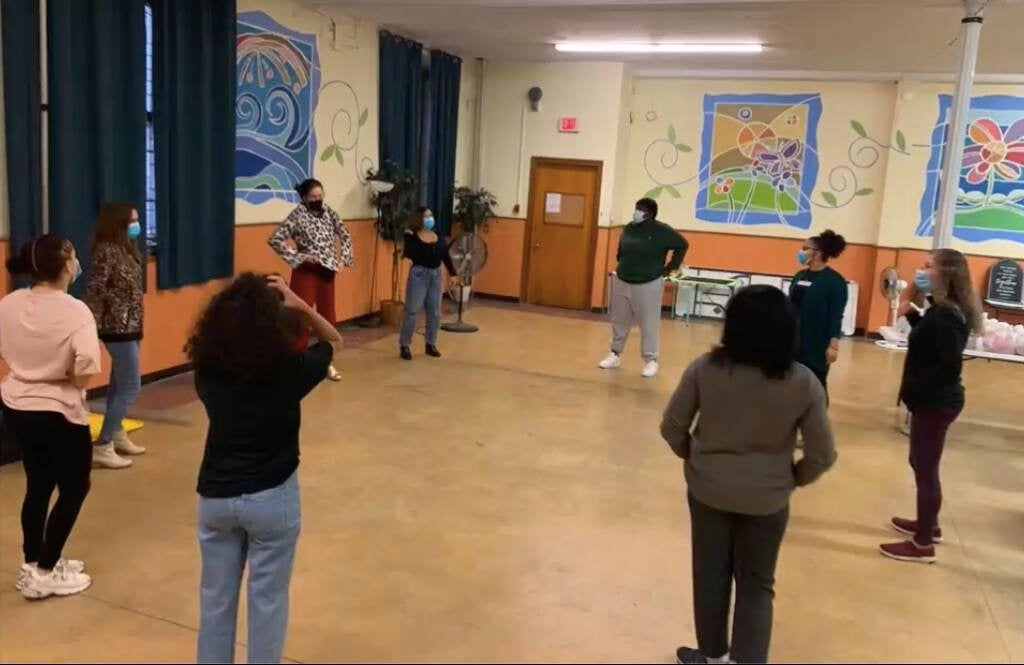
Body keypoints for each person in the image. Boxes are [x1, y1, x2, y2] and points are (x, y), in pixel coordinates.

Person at [660, 285, 837, 664]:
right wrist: (792, 478)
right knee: (757, 586)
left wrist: (695, 458)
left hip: (708, 491)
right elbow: (822, 454)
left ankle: (712, 657)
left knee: (710, 579)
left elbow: (673, 426)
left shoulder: (705, 370)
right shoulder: (804, 382)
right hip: (768, 500)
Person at [188, 273, 342, 664]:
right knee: (268, 601)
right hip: (272, 498)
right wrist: (299, 304)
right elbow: (333, 341)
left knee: (215, 602)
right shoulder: (290, 371)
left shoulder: (206, 372)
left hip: (216, 499)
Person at [1, 235, 101, 600]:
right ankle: (45, 571)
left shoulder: (9, 303)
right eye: (74, 256)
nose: (77, 263)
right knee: (75, 487)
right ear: (64, 265)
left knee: (38, 484)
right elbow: (86, 368)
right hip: (58, 411)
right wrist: (62, 377)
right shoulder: (75, 311)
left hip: (16, 404)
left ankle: (34, 562)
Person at [880, 249, 981, 565]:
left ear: (946, 273)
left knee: (926, 470)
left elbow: (948, 365)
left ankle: (923, 544)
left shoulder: (948, 314)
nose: (921, 270)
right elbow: (926, 338)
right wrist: (912, 308)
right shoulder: (939, 310)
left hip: (935, 403)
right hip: (929, 400)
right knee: (920, 462)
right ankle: (928, 524)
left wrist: (918, 389)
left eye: (928, 266)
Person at [268, 178, 352, 382]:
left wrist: (344, 259)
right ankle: (296, 361)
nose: (317, 200)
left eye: (320, 196)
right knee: (300, 316)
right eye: (313, 197)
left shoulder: (330, 212)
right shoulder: (297, 215)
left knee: (327, 317)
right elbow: (275, 239)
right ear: (304, 198)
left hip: (327, 271)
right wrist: (299, 257)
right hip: (306, 271)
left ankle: (327, 363)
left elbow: (345, 234)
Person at [84, 203, 146, 470]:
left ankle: (117, 432)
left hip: (132, 325)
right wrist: (90, 327)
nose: (137, 224)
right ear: (118, 222)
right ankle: (103, 444)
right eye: (132, 220)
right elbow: (94, 292)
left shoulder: (127, 251)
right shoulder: (106, 252)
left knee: (119, 383)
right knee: (132, 385)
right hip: (114, 328)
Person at [598, 197, 688, 378]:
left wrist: (670, 268)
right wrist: (621, 262)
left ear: (650, 213)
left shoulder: (661, 230)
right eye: (636, 208)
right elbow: (621, 248)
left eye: (640, 209)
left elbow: (682, 244)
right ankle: (614, 354)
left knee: (648, 323)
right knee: (619, 321)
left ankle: (651, 360)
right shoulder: (630, 228)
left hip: (648, 282)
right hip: (623, 279)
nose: (636, 212)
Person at [789, 229, 848, 398]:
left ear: (818, 253)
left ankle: (817, 417)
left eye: (805, 248)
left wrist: (833, 345)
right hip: (794, 340)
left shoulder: (834, 281)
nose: (801, 251)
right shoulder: (800, 276)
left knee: (816, 384)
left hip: (816, 343)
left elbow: (836, 315)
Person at [399, 207, 457, 360]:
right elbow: (409, 253)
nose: (429, 218)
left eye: (431, 215)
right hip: (419, 275)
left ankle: (430, 343)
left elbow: (445, 255)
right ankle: (405, 345)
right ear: (419, 219)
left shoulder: (438, 236)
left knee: (434, 311)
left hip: (435, 276)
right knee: (412, 310)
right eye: (426, 216)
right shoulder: (412, 236)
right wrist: (409, 235)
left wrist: (453, 273)